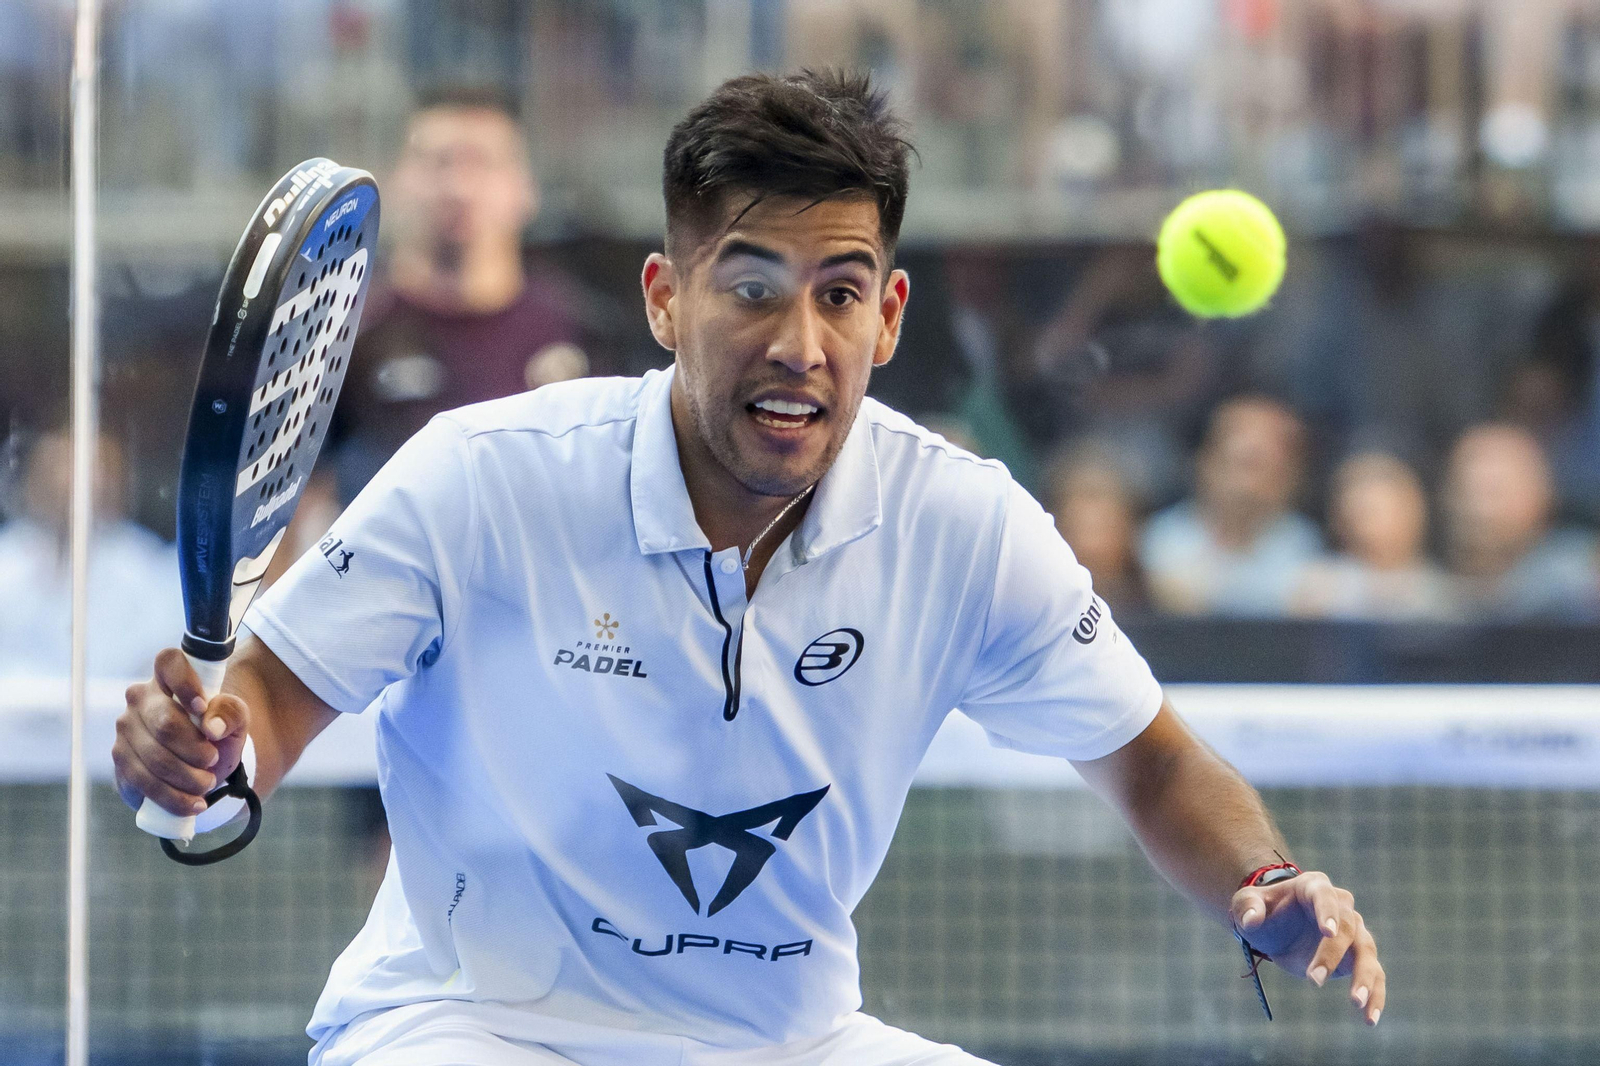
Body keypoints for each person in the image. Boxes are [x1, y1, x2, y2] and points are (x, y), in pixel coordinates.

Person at [114, 71, 1384, 1066]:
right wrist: (201, 756)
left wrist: (1263, 880)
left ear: (888, 317)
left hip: (790, 1039)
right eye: (752, 288)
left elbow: (1151, 759)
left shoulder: (963, 524)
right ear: (665, 300)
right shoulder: (482, 474)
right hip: (466, 1022)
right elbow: (266, 700)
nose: (798, 342)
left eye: (839, 294)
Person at [331, 85, 595, 504]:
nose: (458, 187)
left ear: (525, 188)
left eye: (482, 163)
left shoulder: (583, 332)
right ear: (396, 181)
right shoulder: (343, 336)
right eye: (438, 163)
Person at [0, 428, 184, 679]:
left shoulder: (141, 567)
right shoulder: (8, 561)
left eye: (92, 470)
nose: (68, 482)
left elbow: (158, 657)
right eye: (57, 468)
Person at [1140, 395, 1323, 615]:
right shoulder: (1166, 537)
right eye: (1239, 463)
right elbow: (1178, 600)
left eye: (1260, 466)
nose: (1245, 484)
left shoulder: (1301, 540)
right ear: (1205, 463)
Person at [1440, 423, 1600, 620]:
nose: (1477, 509)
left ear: (1540, 495)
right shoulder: (1425, 597)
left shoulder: (1578, 577)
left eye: (1494, 492)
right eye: (1464, 490)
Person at [1291, 452, 1458, 622]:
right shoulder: (1321, 584)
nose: (1366, 525)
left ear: (1414, 510)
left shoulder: (1442, 590)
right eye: (1361, 512)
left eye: (1377, 510)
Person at [1044, 442, 1151, 615]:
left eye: (1096, 496)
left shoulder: (1163, 596)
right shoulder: (1039, 603)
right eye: (1079, 528)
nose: (1089, 515)